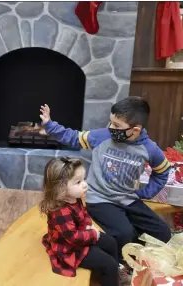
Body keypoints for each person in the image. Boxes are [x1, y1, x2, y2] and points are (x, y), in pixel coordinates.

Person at [39, 97, 172, 268]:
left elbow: (162, 172)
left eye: (117, 126)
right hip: (99, 199)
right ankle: (123, 266)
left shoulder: (150, 149)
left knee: (163, 232)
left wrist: (144, 193)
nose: (111, 128)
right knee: (125, 234)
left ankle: (137, 254)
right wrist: (50, 125)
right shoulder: (102, 136)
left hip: (128, 199)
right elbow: (72, 137)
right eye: (111, 122)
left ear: (136, 130)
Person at [41, 157, 121, 286]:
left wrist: (88, 226)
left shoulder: (74, 197)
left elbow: (83, 213)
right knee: (109, 265)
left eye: (84, 179)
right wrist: (93, 234)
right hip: (70, 247)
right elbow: (73, 237)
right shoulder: (60, 211)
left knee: (111, 242)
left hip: (82, 235)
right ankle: (111, 274)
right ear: (60, 188)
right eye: (78, 182)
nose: (85, 184)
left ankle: (114, 275)